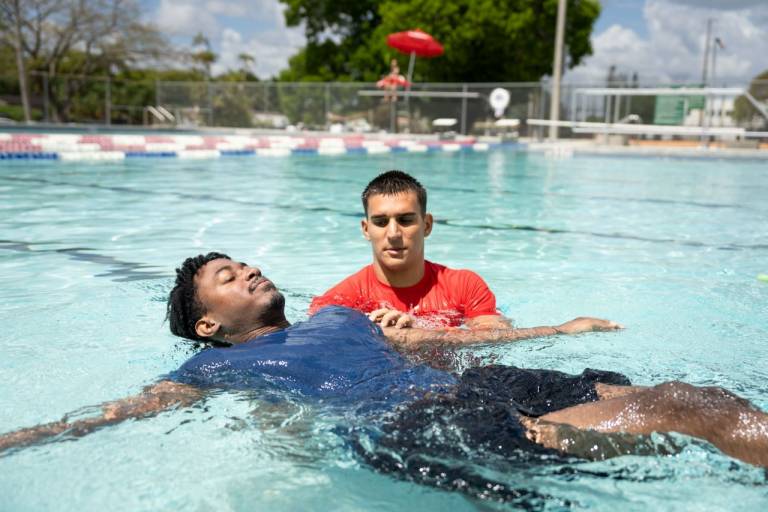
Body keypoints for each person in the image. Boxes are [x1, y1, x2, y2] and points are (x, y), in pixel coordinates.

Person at [1, 252, 766, 485]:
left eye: (246, 264)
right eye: (230, 278)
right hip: (417, 422)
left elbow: (453, 345)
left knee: (653, 395)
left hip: (471, 386)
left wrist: (555, 328)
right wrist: (20, 439)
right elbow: (113, 415)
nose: (251, 271)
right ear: (209, 325)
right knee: (690, 406)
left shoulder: (341, 316)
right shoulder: (211, 371)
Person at [310, 171, 602, 332]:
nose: (394, 233)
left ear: (426, 224)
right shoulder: (344, 298)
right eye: (381, 221)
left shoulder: (464, 285)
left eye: (406, 219)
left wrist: (423, 330)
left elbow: (496, 337)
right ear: (365, 229)